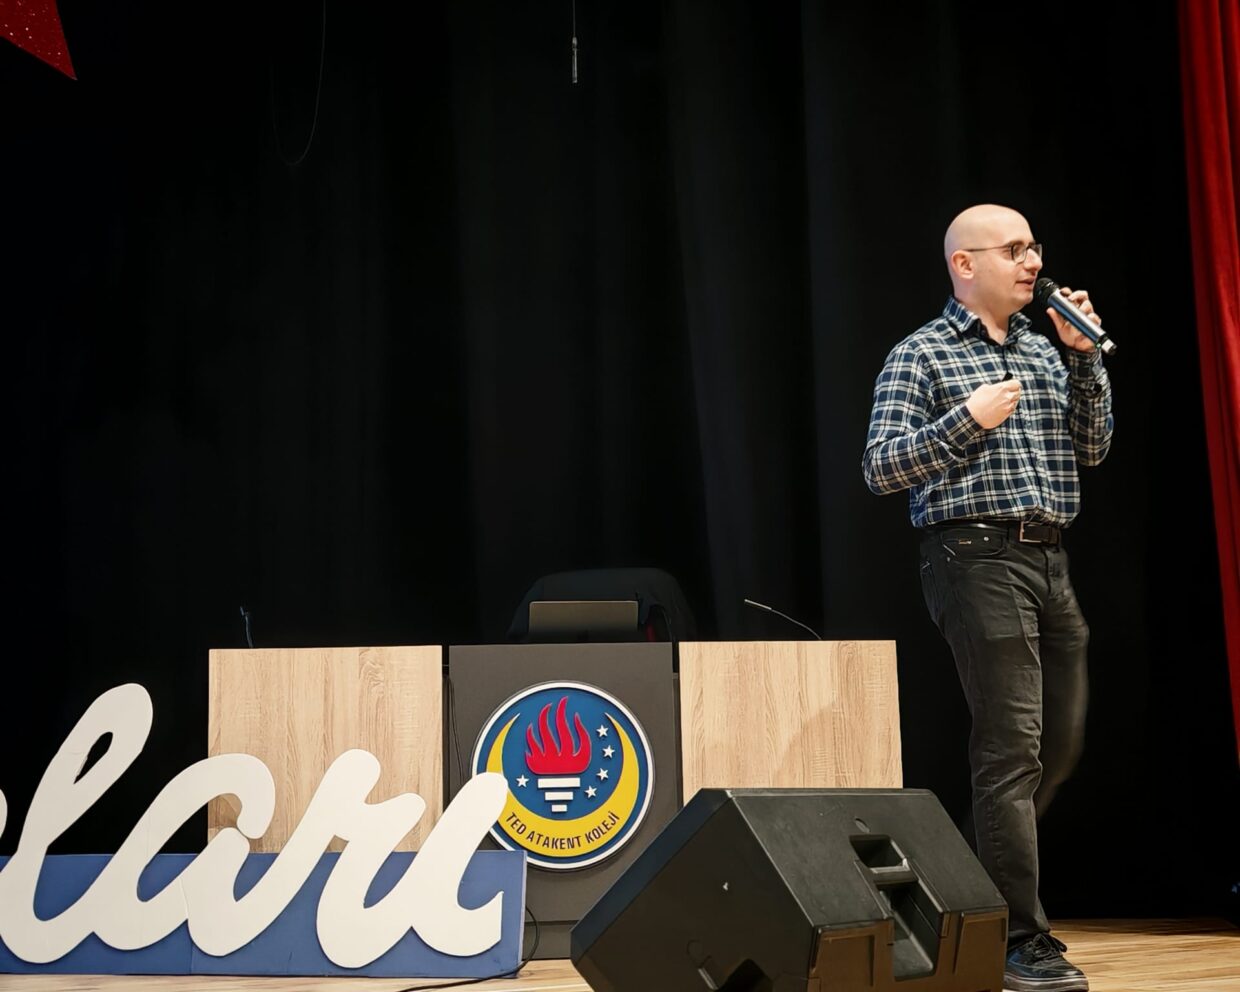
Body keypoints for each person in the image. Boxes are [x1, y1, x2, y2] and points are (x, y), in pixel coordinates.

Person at [862, 204, 1113, 992]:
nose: (1032, 261)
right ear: (965, 265)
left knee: (1056, 748)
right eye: (1013, 249)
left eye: (1034, 246)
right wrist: (965, 423)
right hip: (974, 556)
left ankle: (958, 903)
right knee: (1010, 752)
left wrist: (1084, 360)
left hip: (1050, 560)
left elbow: (1093, 448)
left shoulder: (1042, 349)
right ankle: (1016, 943)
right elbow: (880, 466)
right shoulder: (922, 353)